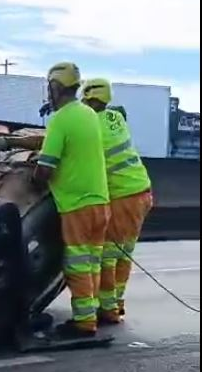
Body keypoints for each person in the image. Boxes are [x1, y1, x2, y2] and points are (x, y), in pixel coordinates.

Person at [33, 63, 111, 339]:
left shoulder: (60, 119)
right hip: (100, 202)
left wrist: (33, 176)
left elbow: (45, 169)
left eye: (50, 88)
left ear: (55, 87)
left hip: (76, 204)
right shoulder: (88, 114)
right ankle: (91, 315)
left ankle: (83, 323)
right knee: (91, 262)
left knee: (76, 264)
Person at [82, 78, 153, 321]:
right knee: (123, 255)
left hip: (124, 196)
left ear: (91, 98)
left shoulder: (94, 126)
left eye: (85, 99)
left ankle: (109, 310)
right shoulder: (116, 118)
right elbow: (118, 111)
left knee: (108, 256)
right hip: (140, 192)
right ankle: (116, 304)